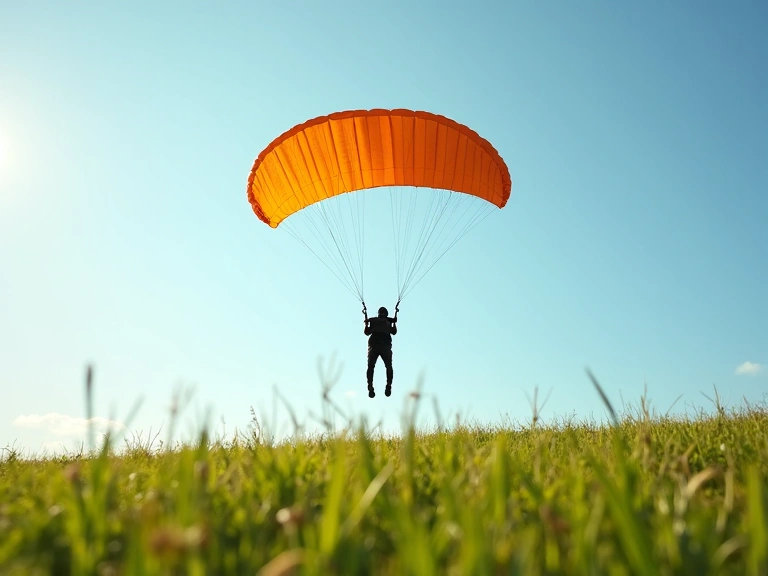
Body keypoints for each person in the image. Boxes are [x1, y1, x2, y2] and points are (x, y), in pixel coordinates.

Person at [362, 302, 399, 398]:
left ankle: (370, 386)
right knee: (388, 366)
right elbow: (394, 332)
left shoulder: (373, 321)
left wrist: (366, 323)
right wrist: (394, 322)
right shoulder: (388, 321)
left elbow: (366, 332)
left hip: (373, 344)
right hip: (385, 344)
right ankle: (389, 385)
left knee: (370, 366)